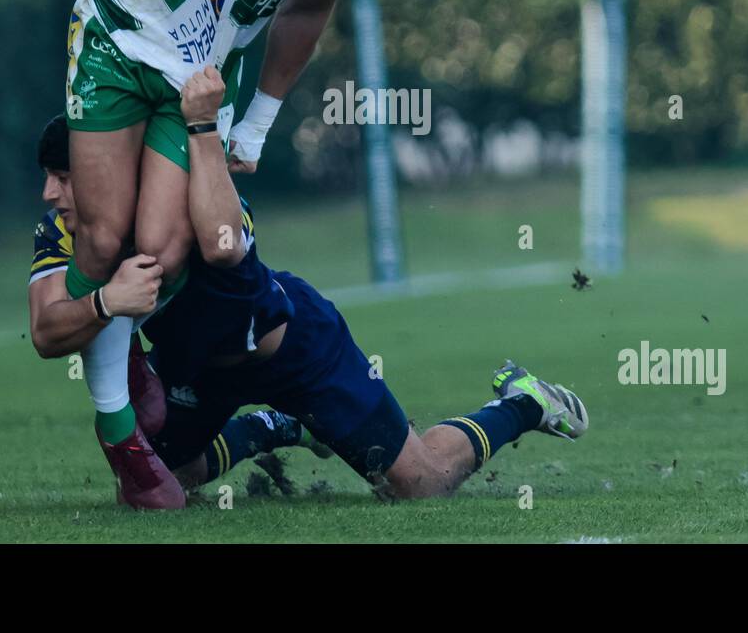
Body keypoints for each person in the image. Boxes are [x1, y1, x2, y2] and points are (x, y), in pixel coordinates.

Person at [60, 0, 566, 474]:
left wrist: (260, 117)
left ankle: (149, 413)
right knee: (104, 242)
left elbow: (308, 5)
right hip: (124, 23)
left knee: (164, 253)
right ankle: (120, 400)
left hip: (202, 64)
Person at [141, 67, 588, 499]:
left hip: (295, 349)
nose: (66, 195)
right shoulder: (104, 224)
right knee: (165, 479)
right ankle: (274, 425)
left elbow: (223, 245)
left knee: (420, 484)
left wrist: (202, 125)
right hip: (199, 365)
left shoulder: (202, 193)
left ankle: (523, 403)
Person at [28, 114, 328, 509]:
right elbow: (46, 334)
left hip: (278, 337)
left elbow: (227, 254)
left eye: (63, 177)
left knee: (418, 479)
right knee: (156, 481)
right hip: (189, 362)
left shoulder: (192, 202)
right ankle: (272, 428)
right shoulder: (58, 232)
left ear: (104, 173)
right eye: (48, 176)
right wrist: (104, 303)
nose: (49, 193)